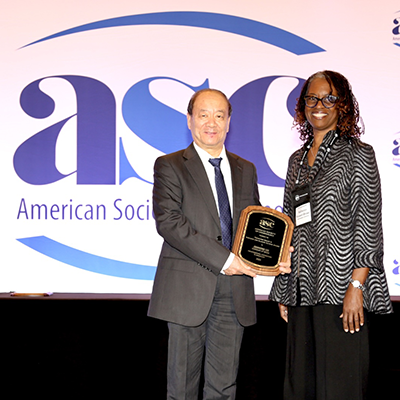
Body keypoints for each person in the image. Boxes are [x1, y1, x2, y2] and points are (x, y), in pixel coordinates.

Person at [148, 88, 291, 400]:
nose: (211, 123)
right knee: (181, 390)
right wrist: (226, 261)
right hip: (187, 292)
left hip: (234, 292)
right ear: (189, 120)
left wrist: (276, 254)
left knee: (224, 389)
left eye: (219, 115)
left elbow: (253, 225)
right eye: (203, 115)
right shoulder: (170, 165)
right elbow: (170, 223)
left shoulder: (246, 169)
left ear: (228, 123)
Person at [270, 70, 393, 400]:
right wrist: (283, 287)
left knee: (339, 388)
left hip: (341, 290)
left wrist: (357, 287)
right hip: (301, 289)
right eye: (312, 98)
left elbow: (369, 225)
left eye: (329, 98)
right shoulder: (297, 161)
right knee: (300, 387)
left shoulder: (358, 154)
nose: (319, 105)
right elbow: (289, 228)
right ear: (302, 105)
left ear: (343, 105)